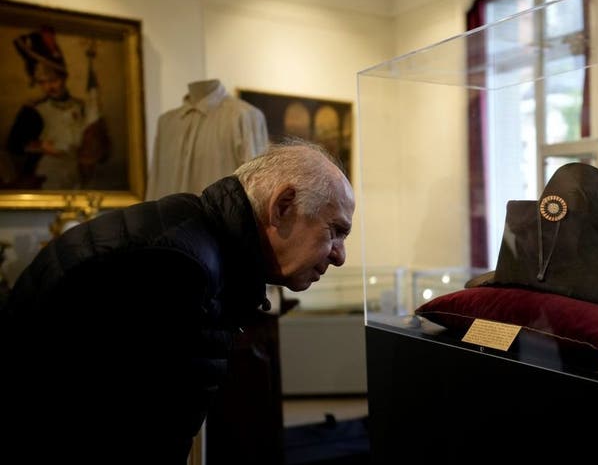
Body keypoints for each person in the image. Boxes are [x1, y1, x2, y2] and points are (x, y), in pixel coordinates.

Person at [0, 138, 354, 463]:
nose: (339, 256)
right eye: (335, 231)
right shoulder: (177, 266)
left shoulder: (189, 234)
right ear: (283, 206)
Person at [6, 26, 110, 189]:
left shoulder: (81, 107)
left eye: (53, 80)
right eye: (43, 82)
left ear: (63, 78)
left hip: (76, 176)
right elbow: (13, 145)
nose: (50, 86)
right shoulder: (32, 111)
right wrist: (40, 147)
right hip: (46, 176)